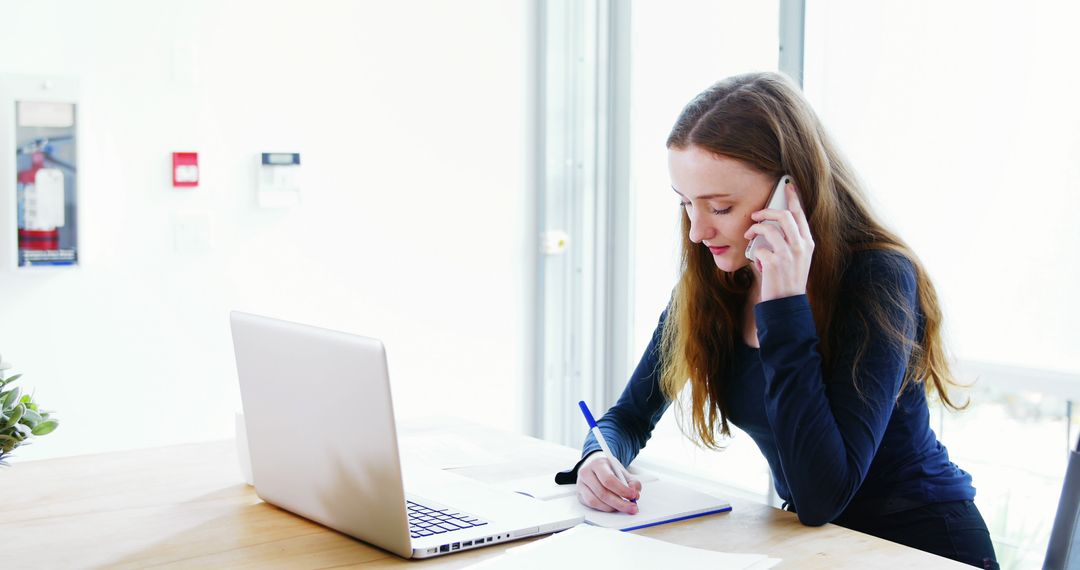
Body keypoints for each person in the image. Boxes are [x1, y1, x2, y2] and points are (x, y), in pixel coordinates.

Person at [555, 72, 999, 569]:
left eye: (720, 207)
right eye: (685, 204)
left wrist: (783, 301)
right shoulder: (715, 285)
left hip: (920, 546)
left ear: (791, 193)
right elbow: (627, 418)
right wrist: (596, 457)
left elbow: (820, 497)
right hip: (820, 548)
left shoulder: (878, 277)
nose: (698, 231)